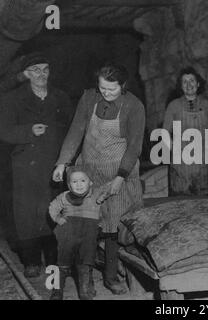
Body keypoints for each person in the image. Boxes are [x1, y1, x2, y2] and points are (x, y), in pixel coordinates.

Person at [52, 62, 145, 295]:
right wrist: (63, 162)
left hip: (117, 170)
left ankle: (111, 277)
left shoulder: (134, 106)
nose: (105, 93)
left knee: (112, 226)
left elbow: (134, 147)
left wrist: (120, 178)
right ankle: (86, 279)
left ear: (123, 85)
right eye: (102, 88)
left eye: (111, 89)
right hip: (89, 169)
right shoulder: (89, 98)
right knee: (85, 223)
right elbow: (76, 130)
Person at [0, 52, 73, 278]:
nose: (41, 74)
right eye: (35, 70)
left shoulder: (61, 97)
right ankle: (31, 261)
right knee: (27, 215)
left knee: (54, 210)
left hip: (55, 164)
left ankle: (54, 259)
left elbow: (72, 129)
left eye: (45, 69)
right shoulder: (12, 99)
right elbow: (4, 130)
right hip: (25, 166)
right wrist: (27, 131)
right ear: (27, 74)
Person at [49, 166, 111, 300]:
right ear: (69, 185)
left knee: (85, 263)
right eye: (74, 182)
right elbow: (53, 207)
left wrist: (101, 223)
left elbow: (109, 190)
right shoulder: (64, 197)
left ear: (90, 183)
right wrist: (58, 219)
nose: (78, 185)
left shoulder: (96, 195)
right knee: (62, 264)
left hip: (88, 236)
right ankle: (57, 291)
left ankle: (85, 290)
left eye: (83, 181)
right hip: (67, 235)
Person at [163, 67, 208, 196]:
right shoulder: (173, 105)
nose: (188, 85)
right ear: (181, 86)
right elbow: (165, 132)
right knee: (180, 207)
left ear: (198, 84)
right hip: (180, 167)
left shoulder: (206, 105)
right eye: (184, 82)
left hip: (202, 165)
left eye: (192, 80)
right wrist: (175, 151)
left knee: (204, 205)